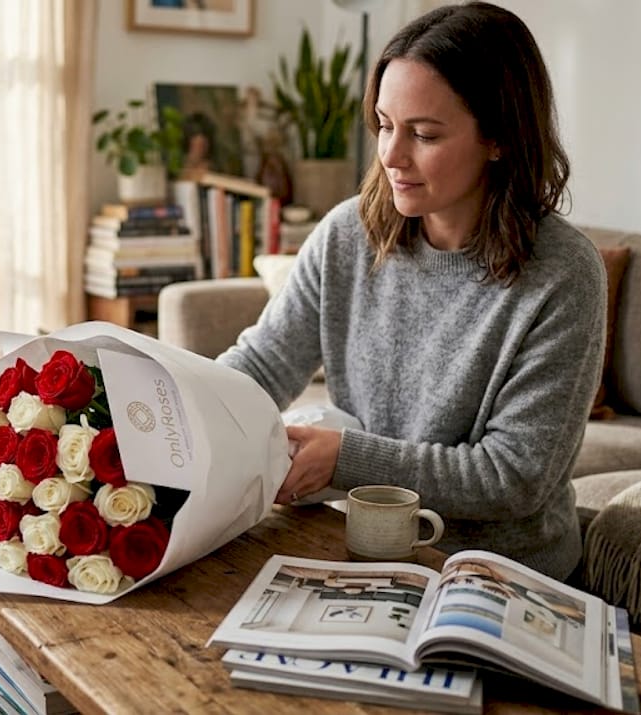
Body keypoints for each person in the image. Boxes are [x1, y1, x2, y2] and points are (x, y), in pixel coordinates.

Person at [216, 2, 605, 581]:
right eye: (384, 125)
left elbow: (513, 477)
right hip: (371, 543)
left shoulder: (564, 273)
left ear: (498, 137)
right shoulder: (349, 233)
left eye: (423, 134)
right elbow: (262, 363)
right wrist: (184, 408)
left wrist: (344, 459)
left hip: (500, 572)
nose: (392, 157)